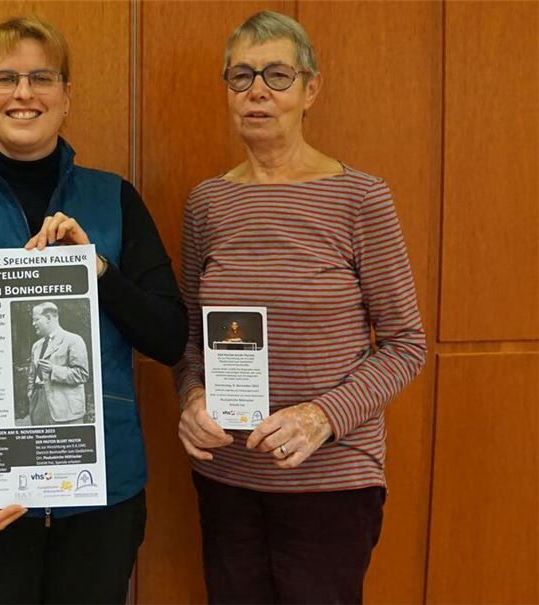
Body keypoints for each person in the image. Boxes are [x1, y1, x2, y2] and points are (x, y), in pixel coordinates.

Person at [0, 15, 186, 604]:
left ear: (67, 95)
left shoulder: (115, 200)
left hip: (102, 496)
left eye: (41, 78)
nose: (23, 93)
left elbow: (170, 337)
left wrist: (97, 269)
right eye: (5, 78)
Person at [173, 11, 427, 604]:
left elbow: (406, 343)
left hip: (332, 481)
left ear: (311, 90)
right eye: (241, 76)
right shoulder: (207, 203)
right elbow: (190, 339)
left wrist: (322, 416)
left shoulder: (359, 197)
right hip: (227, 479)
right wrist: (190, 398)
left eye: (277, 74)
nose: (257, 90)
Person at [27, 302, 89, 426]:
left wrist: (53, 370)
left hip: (65, 410)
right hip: (38, 404)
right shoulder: (36, 346)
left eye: (36, 320)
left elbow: (82, 374)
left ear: (49, 318)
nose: (33, 324)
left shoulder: (74, 340)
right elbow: (32, 375)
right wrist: (31, 393)